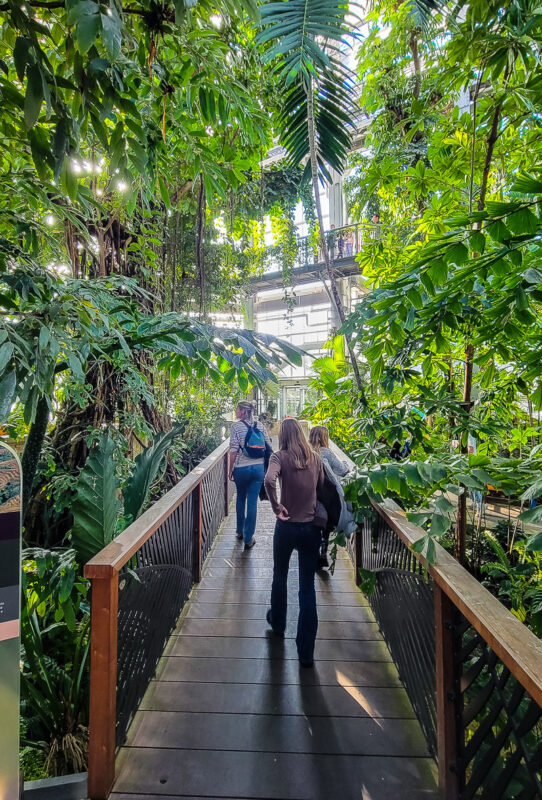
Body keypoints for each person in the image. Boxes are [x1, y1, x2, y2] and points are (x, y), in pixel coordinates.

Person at [264, 418, 324, 667]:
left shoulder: (279, 456)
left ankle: (278, 624)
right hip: (310, 528)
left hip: (287, 526)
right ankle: (306, 652)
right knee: (307, 587)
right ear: (301, 433)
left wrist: (276, 506)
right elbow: (321, 488)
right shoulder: (316, 458)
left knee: (280, 575)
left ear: (282, 434)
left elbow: (269, 481)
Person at [229, 401, 271, 549]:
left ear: (242, 411)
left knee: (240, 498)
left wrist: (230, 469)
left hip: (241, 468)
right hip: (258, 468)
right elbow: (267, 445)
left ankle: (240, 531)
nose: (235, 412)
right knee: (252, 502)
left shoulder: (235, 426)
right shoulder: (260, 425)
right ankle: (248, 538)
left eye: (236, 409)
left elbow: (233, 449)